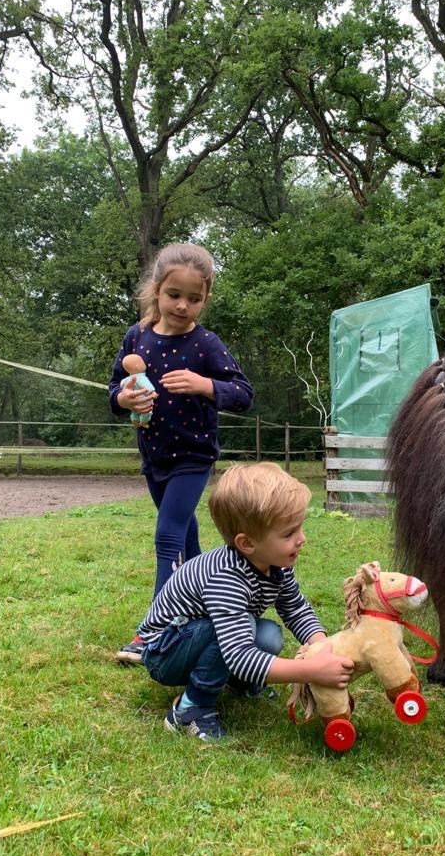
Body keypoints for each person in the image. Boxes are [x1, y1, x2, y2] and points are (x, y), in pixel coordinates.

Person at [109, 243, 254, 665]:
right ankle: (206, 611)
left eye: (194, 298)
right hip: (154, 456)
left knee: (168, 536)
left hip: (193, 456)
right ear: (157, 290)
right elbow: (114, 389)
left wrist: (205, 385)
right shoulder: (137, 336)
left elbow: (243, 394)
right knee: (187, 543)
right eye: (175, 295)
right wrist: (125, 399)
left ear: (205, 299)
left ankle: (152, 632)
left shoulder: (206, 344)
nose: (183, 305)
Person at [137, 462, 355, 741]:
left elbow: (295, 608)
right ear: (247, 543)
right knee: (236, 631)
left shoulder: (277, 565)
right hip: (163, 652)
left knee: (268, 634)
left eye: (300, 528)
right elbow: (238, 654)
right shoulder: (226, 578)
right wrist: (310, 670)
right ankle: (190, 708)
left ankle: (239, 682)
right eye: (289, 533)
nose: (302, 539)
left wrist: (321, 646)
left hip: (193, 638)